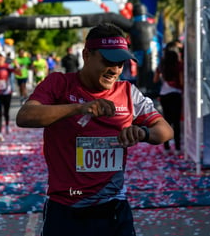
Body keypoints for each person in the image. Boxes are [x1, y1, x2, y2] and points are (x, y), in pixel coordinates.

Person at [16, 23, 173, 236]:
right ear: (86, 55)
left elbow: (165, 131)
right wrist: (78, 108)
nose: (115, 70)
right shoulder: (59, 84)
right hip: (66, 205)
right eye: (108, 61)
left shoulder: (127, 91)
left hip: (112, 207)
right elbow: (25, 116)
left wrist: (142, 133)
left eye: (121, 63)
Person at [153, 49, 183, 155]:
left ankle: (166, 147)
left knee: (167, 121)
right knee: (176, 122)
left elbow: (155, 80)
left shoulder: (162, 66)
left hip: (164, 95)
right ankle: (178, 148)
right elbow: (182, 82)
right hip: (176, 94)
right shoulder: (178, 66)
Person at [0, 51, 20, 142]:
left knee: (6, 112)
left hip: (7, 92)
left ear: (4, 58)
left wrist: (16, 65)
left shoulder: (7, 67)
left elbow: (19, 74)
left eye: (0, 57)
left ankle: (7, 125)